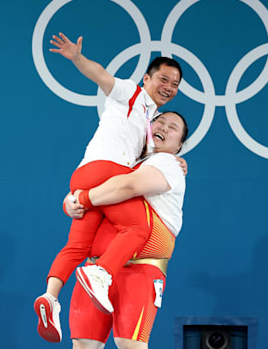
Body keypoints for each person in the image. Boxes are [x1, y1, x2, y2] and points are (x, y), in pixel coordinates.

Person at [34, 32, 183, 343]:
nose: (169, 88)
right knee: (138, 229)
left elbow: (151, 161)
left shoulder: (149, 123)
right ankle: (101, 273)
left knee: (76, 247)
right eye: (163, 79)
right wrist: (77, 58)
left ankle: (50, 296)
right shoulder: (131, 94)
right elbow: (101, 75)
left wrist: (178, 161)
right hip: (107, 173)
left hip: (82, 176)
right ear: (146, 77)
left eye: (175, 84)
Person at [66, 111, 188, 349]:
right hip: (95, 270)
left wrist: (81, 197)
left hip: (139, 271)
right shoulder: (123, 161)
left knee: (130, 345)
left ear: (179, 145)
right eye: (159, 122)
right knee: (82, 345)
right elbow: (92, 185)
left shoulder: (167, 163)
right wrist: (70, 200)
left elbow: (128, 186)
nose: (163, 127)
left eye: (172, 127)